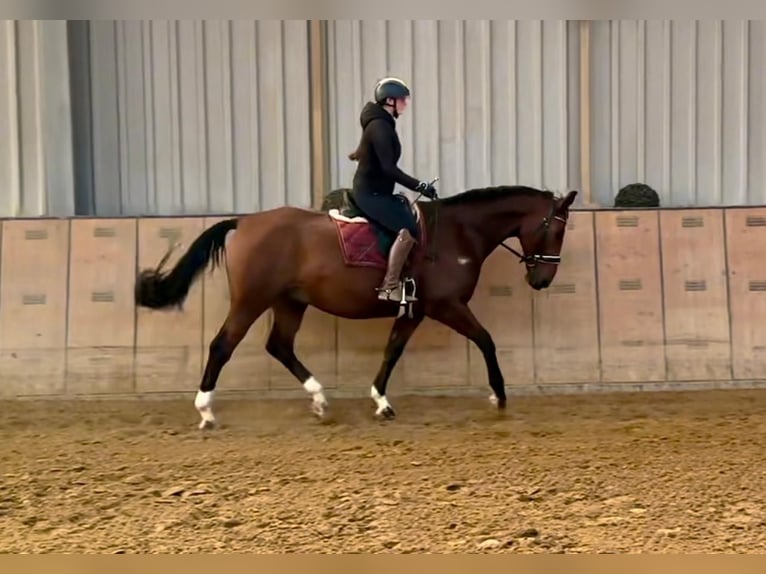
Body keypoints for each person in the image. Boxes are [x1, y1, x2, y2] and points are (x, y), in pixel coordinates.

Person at [348, 77, 438, 302]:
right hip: (371, 194)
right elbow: (389, 168)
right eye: (402, 100)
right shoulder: (380, 127)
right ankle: (389, 287)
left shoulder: (382, 124)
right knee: (408, 230)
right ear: (389, 101)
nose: (405, 104)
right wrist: (420, 185)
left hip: (377, 191)